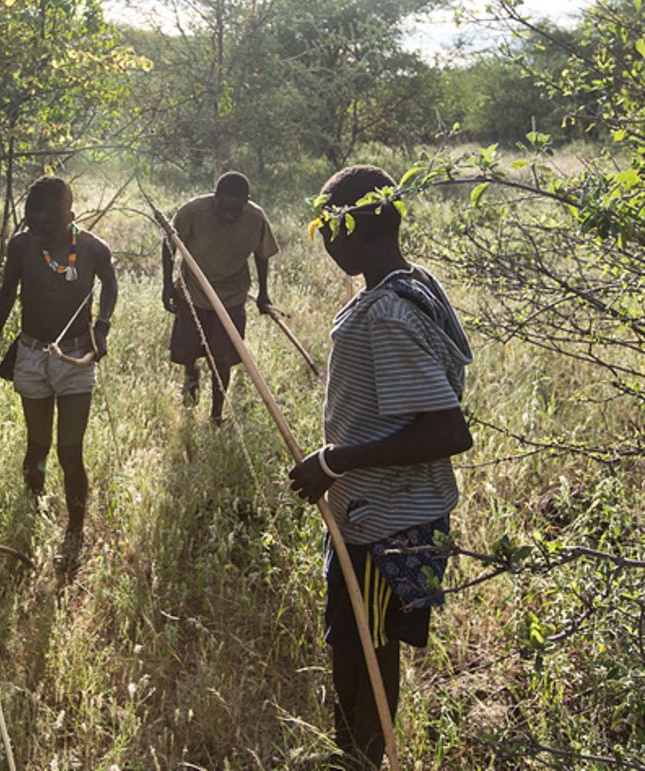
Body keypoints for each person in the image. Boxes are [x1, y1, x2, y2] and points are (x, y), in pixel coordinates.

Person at [287, 164, 474, 769]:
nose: (325, 242)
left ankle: (363, 759)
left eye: (327, 228)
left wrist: (334, 460)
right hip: (389, 516)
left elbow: (447, 430)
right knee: (370, 650)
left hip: (384, 528)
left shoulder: (389, 313)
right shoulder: (411, 284)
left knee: (363, 659)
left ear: (348, 228)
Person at [0, 176, 118, 542]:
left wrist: (101, 326)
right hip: (31, 355)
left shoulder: (93, 250)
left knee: (71, 452)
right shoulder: (21, 246)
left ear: (70, 216)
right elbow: (5, 297)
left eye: (47, 228)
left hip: (75, 358)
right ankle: (32, 515)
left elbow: (111, 283)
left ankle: (75, 530)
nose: (38, 234)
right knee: (37, 445)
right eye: (31, 225)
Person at [161, 171, 279, 424]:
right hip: (193, 292)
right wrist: (167, 286)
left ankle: (217, 413)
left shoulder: (255, 217)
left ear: (246, 202)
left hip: (231, 296)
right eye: (222, 208)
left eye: (234, 211)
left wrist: (264, 292)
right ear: (214, 198)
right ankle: (191, 374)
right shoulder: (193, 211)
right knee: (188, 350)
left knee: (223, 358)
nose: (227, 216)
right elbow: (169, 243)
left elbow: (262, 253)